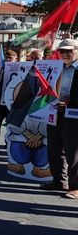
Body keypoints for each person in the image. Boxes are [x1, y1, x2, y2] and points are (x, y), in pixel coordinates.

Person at [44, 38, 78, 199]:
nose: (64, 54)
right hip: (54, 112)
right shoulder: (57, 67)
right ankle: (58, 180)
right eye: (61, 51)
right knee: (54, 148)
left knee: (73, 152)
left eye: (68, 51)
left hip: (73, 115)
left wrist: (70, 105)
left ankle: (75, 186)